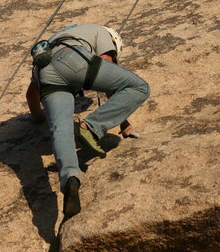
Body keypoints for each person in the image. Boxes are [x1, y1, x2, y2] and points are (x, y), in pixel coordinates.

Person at [26, 22, 150, 218]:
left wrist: (38, 118)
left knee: (61, 129)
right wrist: (124, 124)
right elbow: (107, 65)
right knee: (139, 87)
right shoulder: (102, 32)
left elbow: (31, 96)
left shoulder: (53, 43)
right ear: (114, 42)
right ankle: (89, 127)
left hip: (43, 73)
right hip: (71, 58)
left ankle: (70, 179)